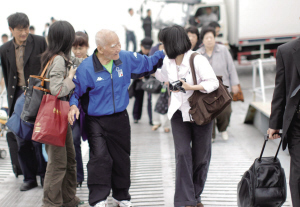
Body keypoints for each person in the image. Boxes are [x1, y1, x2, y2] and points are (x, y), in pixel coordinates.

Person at [68, 29, 165, 207]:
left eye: (119, 43)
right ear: (100, 48)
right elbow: (76, 91)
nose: (118, 48)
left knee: (121, 158)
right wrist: (73, 106)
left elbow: (148, 63)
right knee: (99, 158)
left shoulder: (125, 58)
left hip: (120, 117)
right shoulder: (87, 68)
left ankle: (121, 196)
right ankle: (98, 198)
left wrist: (164, 49)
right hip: (96, 120)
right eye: (113, 46)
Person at [155, 25, 219, 207]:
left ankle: (195, 195)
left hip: (200, 112)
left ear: (172, 43)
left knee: (201, 156)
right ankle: (186, 200)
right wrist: (147, 69)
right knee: (182, 154)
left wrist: (192, 87)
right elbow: (162, 76)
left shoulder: (197, 59)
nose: (162, 47)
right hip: (178, 112)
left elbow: (213, 83)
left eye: (163, 43)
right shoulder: (168, 61)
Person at [0, 12, 47, 191]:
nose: (23, 33)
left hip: (37, 94)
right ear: (11, 30)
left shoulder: (39, 41)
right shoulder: (4, 49)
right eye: (19, 30)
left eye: (26, 28)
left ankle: (43, 175)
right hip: (18, 96)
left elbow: (46, 66)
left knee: (38, 138)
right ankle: (29, 178)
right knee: (21, 140)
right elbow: (7, 73)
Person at [41, 20, 84, 207]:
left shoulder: (61, 57)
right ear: (66, 39)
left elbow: (81, 62)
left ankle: (68, 198)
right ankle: (51, 203)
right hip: (54, 117)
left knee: (69, 159)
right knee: (58, 163)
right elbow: (57, 90)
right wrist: (70, 79)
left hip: (60, 116)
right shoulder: (58, 60)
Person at [267, 37, 300, 207]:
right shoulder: (286, 51)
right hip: (297, 123)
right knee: (298, 171)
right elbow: (280, 89)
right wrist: (274, 123)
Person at [197, 26, 239, 142]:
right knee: (209, 112)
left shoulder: (223, 50)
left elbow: (231, 67)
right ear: (203, 40)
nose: (209, 40)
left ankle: (223, 129)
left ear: (215, 38)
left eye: (211, 37)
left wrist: (235, 84)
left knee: (225, 111)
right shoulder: (198, 54)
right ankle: (211, 135)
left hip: (224, 86)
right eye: (206, 38)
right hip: (206, 88)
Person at [71, 30, 89, 187]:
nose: (77, 51)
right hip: (74, 108)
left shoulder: (93, 62)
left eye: (80, 47)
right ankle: (78, 177)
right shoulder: (67, 64)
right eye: (74, 47)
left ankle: (98, 177)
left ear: (87, 47)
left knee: (96, 144)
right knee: (74, 140)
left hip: (91, 110)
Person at [149, 29, 171, 132]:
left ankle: (165, 125)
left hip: (167, 80)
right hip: (155, 79)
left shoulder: (171, 49)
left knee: (165, 102)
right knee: (154, 101)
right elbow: (150, 63)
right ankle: (156, 122)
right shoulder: (154, 49)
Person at [132, 37, 153, 125]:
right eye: (145, 48)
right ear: (141, 46)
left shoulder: (152, 55)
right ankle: (136, 116)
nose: (147, 50)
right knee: (138, 99)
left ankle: (151, 119)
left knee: (150, 100)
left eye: (149, 48)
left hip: (149, 80)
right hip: (139, 80)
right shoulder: (136, 55)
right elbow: (132, 68)